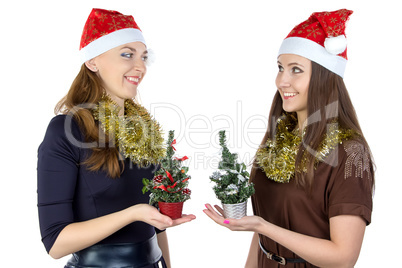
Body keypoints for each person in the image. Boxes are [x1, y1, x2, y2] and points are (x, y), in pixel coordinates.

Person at [204, 9, 374, 267]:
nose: (282, 80)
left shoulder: (351, 153)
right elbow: (262, 236)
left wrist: (263, 226)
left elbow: (343, 257)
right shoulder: (279, 140)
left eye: (296, 70)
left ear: (324, 77)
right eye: (281, 68)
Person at [37, 8, 195, 268]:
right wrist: (132, 214)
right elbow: (55, 243)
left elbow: (157, 226)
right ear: (92, 61)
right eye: (127, 55)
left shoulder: (143, 130)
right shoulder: (67, 130)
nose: (141, 66)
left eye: (144, 57)